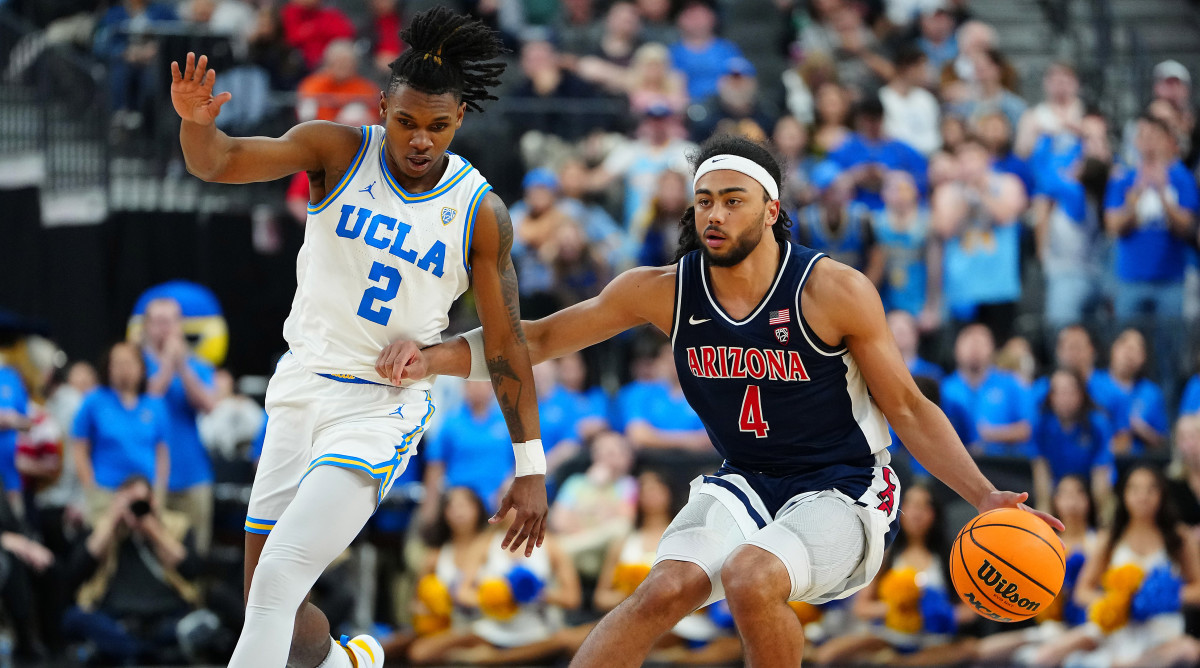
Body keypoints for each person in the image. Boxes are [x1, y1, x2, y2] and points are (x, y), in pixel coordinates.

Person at [383, 133, 1060, 667]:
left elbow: (908, 407)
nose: (713, 213)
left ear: (770, 210)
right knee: (662, 589)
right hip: (744, 480)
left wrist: (981, 494)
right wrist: (434, 358)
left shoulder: (831, 291)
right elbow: (546, 335)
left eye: (732, 200)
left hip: (846, 488)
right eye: (704, 200)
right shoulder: (665, 289)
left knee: (748, 574)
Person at [169, 7, 547, 668]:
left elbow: (507, 343)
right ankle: (348, 663)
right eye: (405, 122)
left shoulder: (480, 212)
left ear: (459, 119)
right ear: (382, 109)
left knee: (280, 579)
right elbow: (220, 161)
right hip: (302, 382)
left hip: (379, 405)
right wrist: (196, 126)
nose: (420, 140)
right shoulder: (337, 149)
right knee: (268, 594)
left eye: (437, 126)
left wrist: (531, 464)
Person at [1037, 466, 1200, 667]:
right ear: (1124, 494)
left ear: (1162, 494)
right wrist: (1116, 603)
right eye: (1135, 489)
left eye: (1151, 490)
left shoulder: (1179, 536)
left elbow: (1198, 589)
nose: (1143, 497)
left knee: (1189, 649)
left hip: (1162, 630)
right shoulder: (1110, 537)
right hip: (1116, 627)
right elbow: (1082, 592)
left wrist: (1168, 597)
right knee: (1045, 655)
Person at [813, 484, 976, 666]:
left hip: (934, 641)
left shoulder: (949, 557)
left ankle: (902, 663)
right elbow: (861, 607)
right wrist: (897, 609)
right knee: (829, 653)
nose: (916, 514)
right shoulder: (887, 555)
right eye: (912, 506)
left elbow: (971, 610)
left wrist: (945, 614)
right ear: (901, 510)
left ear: (935, 513)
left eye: (924, 507)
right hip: (890, 638)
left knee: (969, 648)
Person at [62, 475, 203, 666]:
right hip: (115, 618)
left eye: (141, 502)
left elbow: (192, 569)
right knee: (75, 618)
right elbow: (77, 571)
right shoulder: (101, 526)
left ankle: (128, 652)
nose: (135, 509)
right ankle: (146, 653)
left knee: (194, 624)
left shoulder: (175, 525)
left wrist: (152, 529)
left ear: (153, 501)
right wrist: (112, 521)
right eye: (129, 502)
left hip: (165, 615)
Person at [140, 296, 217, 556]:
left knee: (197, 554)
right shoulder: (135, 365)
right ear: (146, 326)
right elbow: (146, 400)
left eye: (170, 321)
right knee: (156, 553)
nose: (164, 328)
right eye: (158, 321)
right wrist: (167, 365)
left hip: (193, 475)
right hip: (149, 477)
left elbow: (208, 404)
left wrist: (182, 366)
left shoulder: (197, 366)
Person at [71, 342, 170, 523]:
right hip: (106, 492)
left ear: (141, 368)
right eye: (118, 364)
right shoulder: (94, 401)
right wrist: (90, 488)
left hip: (146, 493)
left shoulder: (155, 404)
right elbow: (79, 448)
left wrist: (160, 488)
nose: (124, 369)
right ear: (108, 368)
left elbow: (162, 452)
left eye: (130, 363)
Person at [1030, 369, 1114, 511]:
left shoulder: (1098, 424)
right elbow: (1041, 474)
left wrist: (1103, 517)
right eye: (1059, 392)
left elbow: (1101, 477)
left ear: (1081, 394)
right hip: (1058, 491)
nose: (1065, 398)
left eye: (1070, 392)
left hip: (1092, 489)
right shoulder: (1041, 425)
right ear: (1051, 397)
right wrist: (1044, 512)